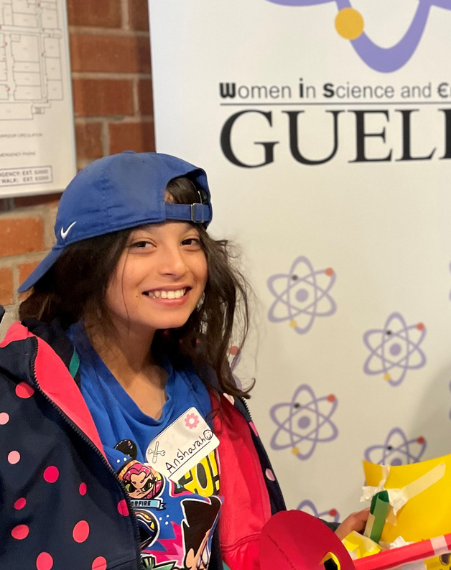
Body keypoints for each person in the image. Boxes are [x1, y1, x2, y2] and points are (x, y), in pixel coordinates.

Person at [0, 152, 367, 570]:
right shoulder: (22, 401)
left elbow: (227, 540)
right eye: (142, 244)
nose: (178, 266)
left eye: (189, 241)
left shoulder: (196, 380)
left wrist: (321, 542)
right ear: (87, 263)